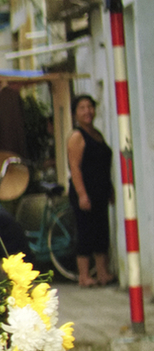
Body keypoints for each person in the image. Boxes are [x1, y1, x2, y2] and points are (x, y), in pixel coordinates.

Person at [66, 94, 115, 286]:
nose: (87, 111)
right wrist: (82, 194)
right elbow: (75, 167)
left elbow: (103, 165)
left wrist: (109, 188)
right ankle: (84, 276)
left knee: (101, 231)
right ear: (76, 113)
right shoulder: (77, 137)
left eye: (90, 107)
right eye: (82, 108)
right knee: (86, 231)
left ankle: (102, 273)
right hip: (84, 192)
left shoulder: (97, 134)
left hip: (100, 191)